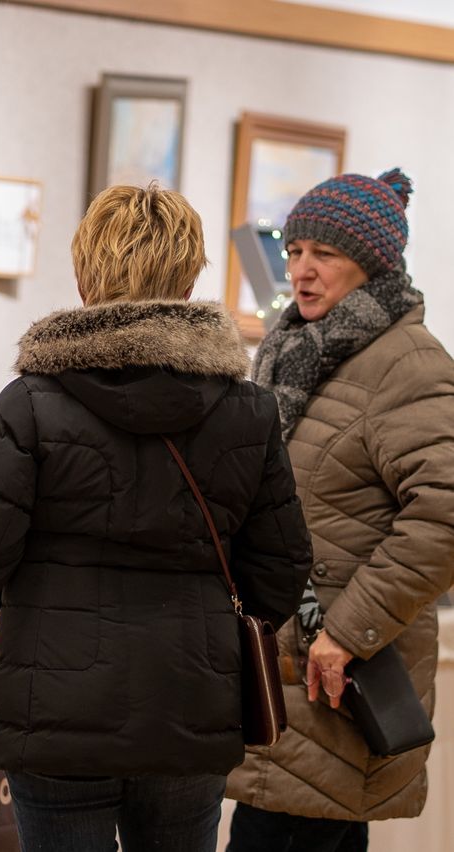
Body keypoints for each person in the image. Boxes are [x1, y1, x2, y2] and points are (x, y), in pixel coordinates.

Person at [0, 183, 312, 852]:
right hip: (190, 705)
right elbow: (282, 566)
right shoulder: (246, 410)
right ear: (191, 276)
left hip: (55, 712)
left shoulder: (33, 404)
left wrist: (38, 595)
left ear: (86, 274)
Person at [226, 168, 454, 851]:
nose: (302, 270)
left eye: (324, 255)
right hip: (287, 676)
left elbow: (444, 518)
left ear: (372, 264)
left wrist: (347, 633)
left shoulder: (410, 365)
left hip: (336, 672)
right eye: (295, 252)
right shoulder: (296, 352)